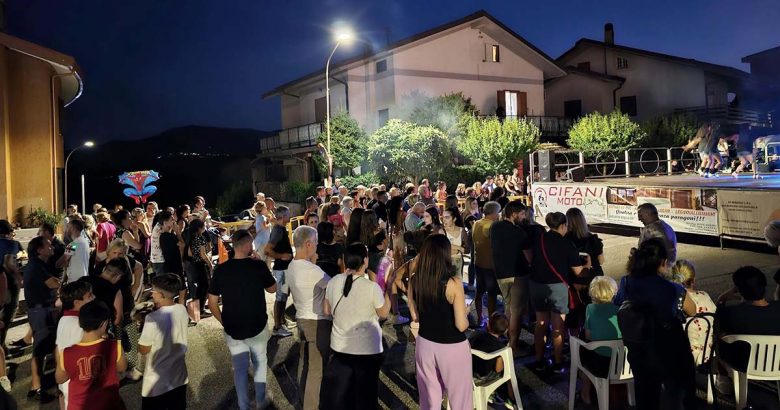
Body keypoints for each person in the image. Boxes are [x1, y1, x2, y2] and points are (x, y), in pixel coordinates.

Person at [617, 239, 697, 410]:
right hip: (667, 349)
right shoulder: (672, 288)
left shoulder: (626, 282)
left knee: (646, 397)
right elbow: (693, 311)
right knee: (675, 395)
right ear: (662, 263)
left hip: (638, 348)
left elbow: (618, 305)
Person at [209, 229, 278, 410]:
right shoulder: (258, 266)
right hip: (257, 325)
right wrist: (262, 263)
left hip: (233, 327)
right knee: (260, 362)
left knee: (239, 369)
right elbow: (272, 289)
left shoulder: (221, 269)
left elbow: (212, 302)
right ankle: (261, 400)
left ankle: (243, 405)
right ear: (248, 246)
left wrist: (223, 320)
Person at [321, 243, 392, 410]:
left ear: (345, 262)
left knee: (344, 397)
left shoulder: (334, 281)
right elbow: (383, 313)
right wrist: (388, 292)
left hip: (340, 349)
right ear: (365, 261)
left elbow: (326, 310)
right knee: (365, 397)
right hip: (367, 350)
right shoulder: (371, 288)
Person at [409, 235, 472, 410]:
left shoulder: (415, 280)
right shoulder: (453, 283)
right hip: (452, 346)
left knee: (429, 400)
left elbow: (415, 315)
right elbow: (461, 325)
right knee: (460, 400)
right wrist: (465, 313)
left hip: (425, 343)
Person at [529, 212, 588, 373]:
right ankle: (557, 362)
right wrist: (587, 266)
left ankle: (539, 360)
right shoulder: (566, 244)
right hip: (556, 287)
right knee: (558, 326)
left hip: (536, 284)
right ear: (563, 225)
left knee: (541, 323)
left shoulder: (539, 239)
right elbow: (578, 272)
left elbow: (530, 258)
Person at [287, 226, 331, 410]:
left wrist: (313, 261)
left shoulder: (291, 265)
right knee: (316, 371)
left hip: (301, 319)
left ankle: (303, 400)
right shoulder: (312, 270)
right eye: (316, 240)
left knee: (306, 365)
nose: (317, 244)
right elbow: (333, 286)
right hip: (317, 322)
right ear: (308, 243)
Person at [56, 301, 128, 410]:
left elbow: (60, 379)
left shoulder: (66, 353)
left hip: (79, 406)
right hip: (109, 404)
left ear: (80, 323)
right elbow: (122, 367)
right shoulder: (114, 346)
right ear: (104, 324)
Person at [715, 266, 780, 374]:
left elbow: (717, 326)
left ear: (738, 290)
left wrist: (722, 299)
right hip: (776, 364)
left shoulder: (732, 313)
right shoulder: (777, 308)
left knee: (717, 340)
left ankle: (724, 381)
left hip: (743, 364)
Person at [138, 274, 189, 409]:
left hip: (156, 381)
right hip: (179, 375)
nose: (152, 294)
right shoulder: (182, 309)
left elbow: (144, 349)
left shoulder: (152, 318)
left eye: (153, 291)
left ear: (160, 295)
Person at [490, 200, 532, 356]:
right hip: (518, 275)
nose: (523, 216)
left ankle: (508, 338)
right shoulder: (519, 232)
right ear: (513, 214)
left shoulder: (494, 227)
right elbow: (529, 257)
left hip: (501, 274)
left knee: (508, 306)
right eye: (521, 213)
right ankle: (513, 346)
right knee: (516, 312)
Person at [24, 236, 61, 401]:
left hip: (42, 309)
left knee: (48, 345)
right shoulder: (37, 266)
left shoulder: (41, 264)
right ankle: (36, 386)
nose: (51, 246)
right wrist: (58, 282)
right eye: (48, 245)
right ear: (39, 250)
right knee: (39, 349)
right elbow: (54, 283)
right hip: (40, 310)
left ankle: (40, 384)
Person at [577, 276, 621, 407]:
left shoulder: (590, 309)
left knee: (582, 353)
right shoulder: (619, 310)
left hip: (600, 363)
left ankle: (586, 391)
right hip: (621, 363)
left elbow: (588, 336)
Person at [564, 208, 605, 335]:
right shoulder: (593, 239)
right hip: (595, 277)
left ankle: (575, 343)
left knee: (575, 312)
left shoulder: (566, 239)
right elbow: (601, 260)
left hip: (575, 279)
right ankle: (593, 336)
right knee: (595, 308)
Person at [55, 280, 95, 409]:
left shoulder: (64, 319)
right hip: (78, 384)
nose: (94, 298)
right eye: (89, 296)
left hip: (68, 380)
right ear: (77, 303)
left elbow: (58, 348)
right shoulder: (80, 324)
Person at [669, 260, 717, 365]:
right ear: (693, 280)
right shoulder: (704, 296)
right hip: (710, 354)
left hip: (685, 358)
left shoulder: (674, 302)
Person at [264, 206, 294, 337]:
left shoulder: (280, 228)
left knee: (284, 296)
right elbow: (267, 250)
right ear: (282, 216)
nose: (290, 216)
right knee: (280, 297)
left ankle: (281, 321)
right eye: (288, 214)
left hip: (284, 268)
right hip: (281, 269)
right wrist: (281, 256)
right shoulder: (278, 230)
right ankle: (277, 326)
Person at [472, 201, 501, 324]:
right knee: (491, 295)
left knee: (479, 292)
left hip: (478, 262)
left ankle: (480, 318)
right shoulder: (491, 226)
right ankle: (492, 322)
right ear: (494, 213)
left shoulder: (476, 223)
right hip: (490, 265)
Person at [184, 218, 211, 322]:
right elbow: (203, 255)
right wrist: (210, 264)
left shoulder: (190, 237)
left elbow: (190, 253)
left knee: (199, 287)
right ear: (199, 228)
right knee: (205, 287)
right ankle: (200, 310)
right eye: (203, 226)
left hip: (193, 264)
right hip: (201, 264)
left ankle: (196, 311)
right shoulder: (200, 238)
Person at [158, 211, 187, 303]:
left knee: (173, 292)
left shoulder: (163, 236)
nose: (174, 221)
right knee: (182, 290)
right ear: (165, 222)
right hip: (174, 266)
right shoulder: (169, 236)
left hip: (169, 265)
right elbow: (182, 245)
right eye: (171, 219)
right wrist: (178, 232)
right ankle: (181, 310)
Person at [61, 219, 91, 283]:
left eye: (67, 227)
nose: (66, 229)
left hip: (74, 281)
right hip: (83, 278)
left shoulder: (72, 245)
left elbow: (62, 261)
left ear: (73, 228)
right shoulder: (85, 241)